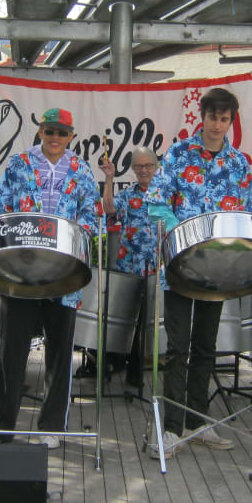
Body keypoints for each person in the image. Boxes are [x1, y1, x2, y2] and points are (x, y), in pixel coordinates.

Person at [145, 87, 252, 458]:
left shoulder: (240, 163)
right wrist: (185, 240)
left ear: (230, 122)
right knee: (178, 349)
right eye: (212, 117)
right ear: (202, 116)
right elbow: (156, 204)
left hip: (219, 271)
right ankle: (171, 428)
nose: (217, 125)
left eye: (224, 119)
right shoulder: (179, 154)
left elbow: (249, 214)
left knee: (206, 348)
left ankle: (197, 421)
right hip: (181, 267)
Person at [0, 108, 101, 449]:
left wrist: (78, 239)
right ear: (41, 131)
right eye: (50, 130)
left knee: (60, 353)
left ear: (71, 136)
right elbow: (0, 207)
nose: (55, 137)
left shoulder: (81, 170)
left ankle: (52, 425)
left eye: (62, 132)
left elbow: (90, 216)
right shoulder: (19, 163)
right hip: (21, 269)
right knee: (12, 350)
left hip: (63, 273)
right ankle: (2, 425)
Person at [100, 146, 159, 390]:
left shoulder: (166, 193)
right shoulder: (127, 195)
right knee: (126, 319)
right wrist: (109, 178)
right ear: (133, 169)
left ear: (155, 168)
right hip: (129, 266)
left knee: (147, 320)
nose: (144, 170)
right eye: (139, 166)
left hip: (156, 266)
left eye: (148, 166)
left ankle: (137, 372)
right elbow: (109, 209)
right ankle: (114, 365)